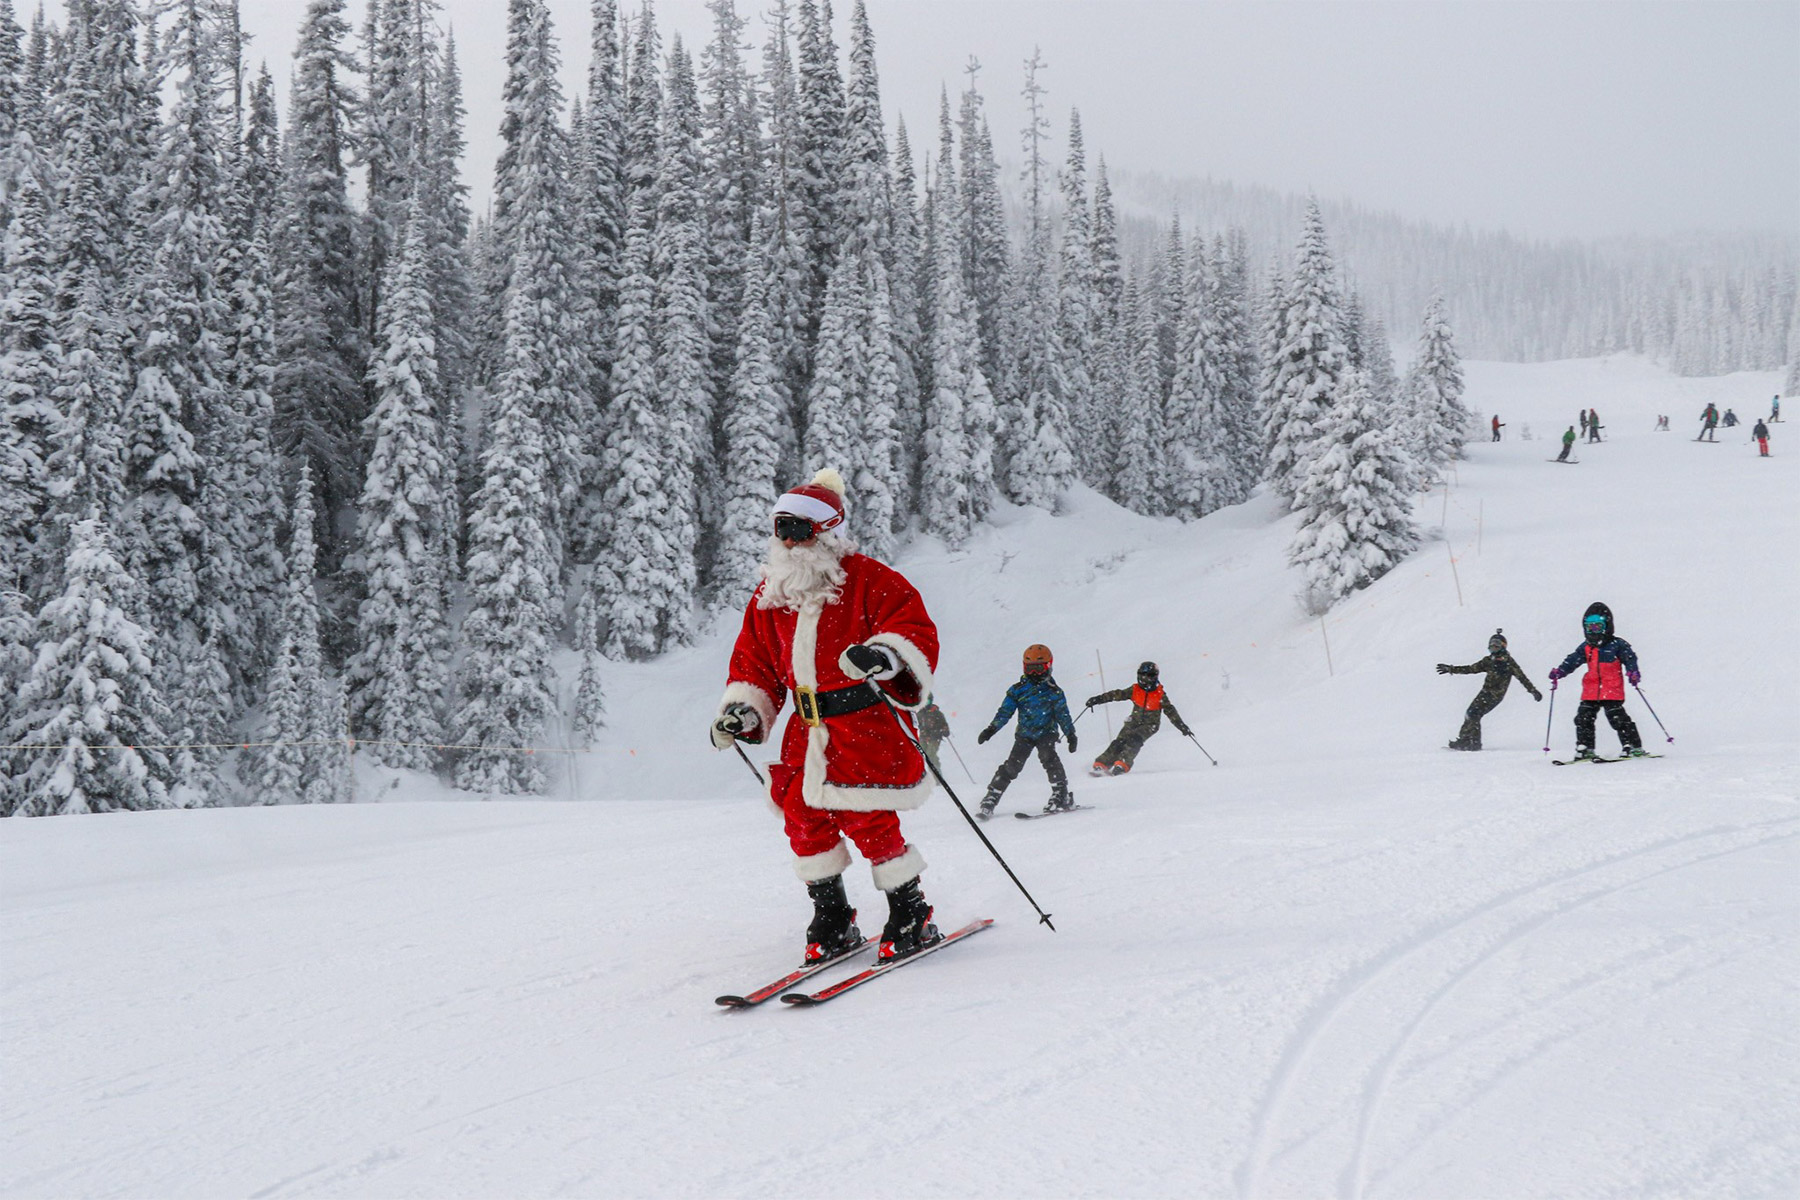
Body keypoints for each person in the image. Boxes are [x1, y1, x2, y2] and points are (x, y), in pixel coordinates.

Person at [710, 467, 944, 965]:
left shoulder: (871, 580)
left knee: (868, 816)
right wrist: (743, 710)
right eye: (781, 529)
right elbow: (753, 661)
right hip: (805, 728)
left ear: (826, 531)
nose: (789, 542)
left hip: (864, 724)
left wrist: (885, 656)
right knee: (803, 817)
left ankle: (910, 909)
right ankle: (832, 915)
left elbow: (914, 628)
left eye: (799, 529)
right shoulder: (770, 595)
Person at [975, 645, 1076, 817]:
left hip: (1047, 732)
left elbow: (1063, 714)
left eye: (1039, 668)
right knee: (1013, 765)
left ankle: (1061, 794)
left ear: (1049, 667)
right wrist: (991, 729)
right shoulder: (1018, 690)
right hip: (1025, 734)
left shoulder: (1054, 691)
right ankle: (992, 796)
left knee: (1048, 757)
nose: (1035, 674)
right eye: (1030, 669)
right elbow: (1005, 712)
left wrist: (1071, 734)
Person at [1548, 601, 1648, 761]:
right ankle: (1585, 747)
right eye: (1590, 627)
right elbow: (1572, 660)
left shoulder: (1617, 645)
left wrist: (1633, 672)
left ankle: (1633, 746)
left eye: (1597, 627)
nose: (1593, 632)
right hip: (1591, 690)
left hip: (1611, 689)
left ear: (1606, 627)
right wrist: (1560, 672)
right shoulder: (1587, 647)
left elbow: (1630, 658)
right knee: (1583, 718)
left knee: (1617, 718)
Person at [1437, 629, 1542, 751]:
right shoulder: (1489, 661)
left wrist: (1533, 691)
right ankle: (1465, 739)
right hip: (1485, 692)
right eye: (1491, 646)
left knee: (1475, 714)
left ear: (1503, 647)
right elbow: (1471, 669)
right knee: (1469, 713)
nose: (1493, 648)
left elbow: (1522, 678)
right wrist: (1452, 669)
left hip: (1495, 695)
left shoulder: (1509, 663)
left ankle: (1474, 743)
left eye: (1496, 645)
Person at [1084, 661, 1194, 775]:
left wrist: (1182, 726)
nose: (1146, 678)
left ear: (1155, 676)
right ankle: (1103, 763)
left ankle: (1122, 764)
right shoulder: (1135, 689)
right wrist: (1098, 699)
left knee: (1134, 740)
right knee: (1120, 741)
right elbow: (1117, 694)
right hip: (1134, 721)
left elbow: (1170, 711)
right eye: (1143, 675)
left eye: (1150, 675)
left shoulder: (1159, 694)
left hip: (1150, 724)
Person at [917, 697, 951, 775]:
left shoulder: (937, 713)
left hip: (935, 737)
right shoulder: (920, 713)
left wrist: (943, 730)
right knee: (919, 754)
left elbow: (945, 727)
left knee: (930, 755)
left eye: (928, 701)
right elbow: (916, 724)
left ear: (931, 701)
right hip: (923, 737)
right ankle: (919, 775)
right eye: (924, 700)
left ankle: (937, 776)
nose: (926, 703)